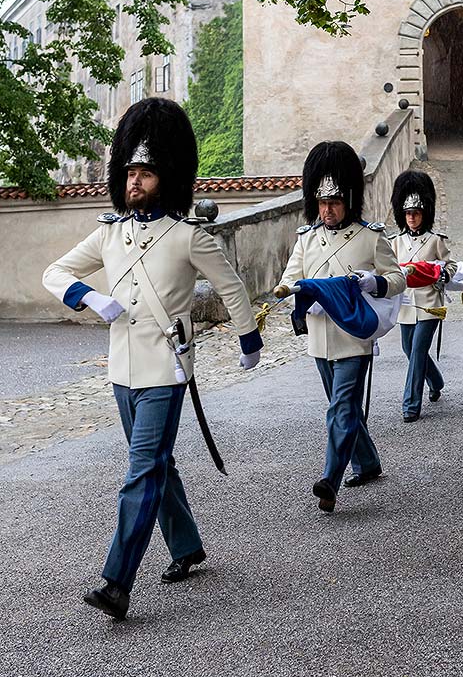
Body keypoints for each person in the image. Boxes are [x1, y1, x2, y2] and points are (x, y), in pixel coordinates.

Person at [42, 98, 263, 620]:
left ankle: (116, 582)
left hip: (167, 368)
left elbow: (232, 287)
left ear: (166, 178)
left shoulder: (188, 236)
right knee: (156, 467)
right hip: (122, 369)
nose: (135, 180)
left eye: (145, 172)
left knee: (141, 471)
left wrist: (248, 340)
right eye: (130, 171)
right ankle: (186, 545)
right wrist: (89, 297)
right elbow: (55, 272)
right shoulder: (108, 233)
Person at [275, 141, 407, 513]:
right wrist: (293, 292)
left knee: (340, 408)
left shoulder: (370, 237)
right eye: (321, 203)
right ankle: (367, 461)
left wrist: (373, 283)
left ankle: (330, 479)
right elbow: (290, 278)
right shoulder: (307, 238)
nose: (327, 210)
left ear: (348, 200)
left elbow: (396, 279)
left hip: (354, 334)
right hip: (320, 336)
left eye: (333, 203)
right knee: (344, 406)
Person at [390, 171, 457, 423]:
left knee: (418, 350)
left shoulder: (435, 240)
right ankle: (436, 380)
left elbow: (450, 266)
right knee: (408, 348)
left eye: (416, 213)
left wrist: (442, 276)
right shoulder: (395, 242)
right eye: (408, 214)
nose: (412, 218)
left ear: (424, 213)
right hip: (406, 304)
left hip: (430, 303)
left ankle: (411, 404)